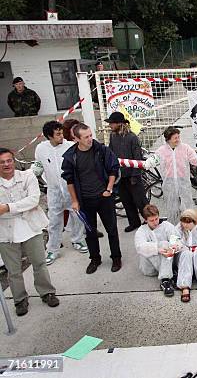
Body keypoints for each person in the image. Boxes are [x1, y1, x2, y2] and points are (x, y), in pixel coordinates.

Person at [0, 148, 59, 316]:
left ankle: (47, 292)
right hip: (5, 232)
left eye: (9, 160)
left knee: (39, 263)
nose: (7, 164)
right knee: (14, 270)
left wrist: (7, 208)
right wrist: (20, 206)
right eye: (2, 162)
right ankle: (20, 300)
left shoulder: (27, 176)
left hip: (31, 227)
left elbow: (33, 200)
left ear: (14, 161)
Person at [61, 123, 122, 274]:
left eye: (90, 135)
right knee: (90, 232)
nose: (90, 139)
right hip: (85, 201)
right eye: (86, 137)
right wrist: (74, 201)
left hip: (104, 198)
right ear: (76, 139)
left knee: (112, 229)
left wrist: (109, 189)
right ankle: (95, 259)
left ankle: (116, 258)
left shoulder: (101, 150)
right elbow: (69, 181)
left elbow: (113, 169)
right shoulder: (71, 156)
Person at [33, 121, 88, 265]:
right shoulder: (41, 149)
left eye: (61, 132)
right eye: (58, 134)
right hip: (53, 190)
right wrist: (36, 171)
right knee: (54, 221)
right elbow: (38, 165)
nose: (61, 136)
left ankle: (78, 240)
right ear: (49, 136)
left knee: (77, 216)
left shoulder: (70, 146)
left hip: (70, 188)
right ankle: (52, 249)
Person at [107, 111, 147, 233]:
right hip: (120, 176)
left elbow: (137, 157)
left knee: (140, 201)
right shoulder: (112, 136)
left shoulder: (132, 137)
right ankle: (134, 222)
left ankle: (149, 220)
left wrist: (135, 175)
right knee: (126, 201)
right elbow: (111, 154)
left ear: (120, 123)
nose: (110, 126)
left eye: (112, 123)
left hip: (132, 176)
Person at [152, 127, 197, 225]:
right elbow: (154, 159)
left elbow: (194, 159)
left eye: (178, 137)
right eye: (175, 138)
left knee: (187, 205)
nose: (178, 139)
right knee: (172, 208)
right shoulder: (162, 151)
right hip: (169, 183)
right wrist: (148, 162)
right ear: (168, 139)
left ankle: (190, 225)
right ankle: (173, 228)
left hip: (183, 182)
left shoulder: (185, 148)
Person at [134, 204, 181, 297]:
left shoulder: (167, 226)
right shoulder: (141, 231)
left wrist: (172, 249)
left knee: (167, 245)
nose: (155, 222)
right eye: (151, 220)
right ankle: (169, 277)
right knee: (162, 244)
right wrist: (157, 249)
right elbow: (140, 246)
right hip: (150, 268)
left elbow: (176, 239)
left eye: (156, 218)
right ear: (145, 220)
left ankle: (165, 281)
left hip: (166, 263)